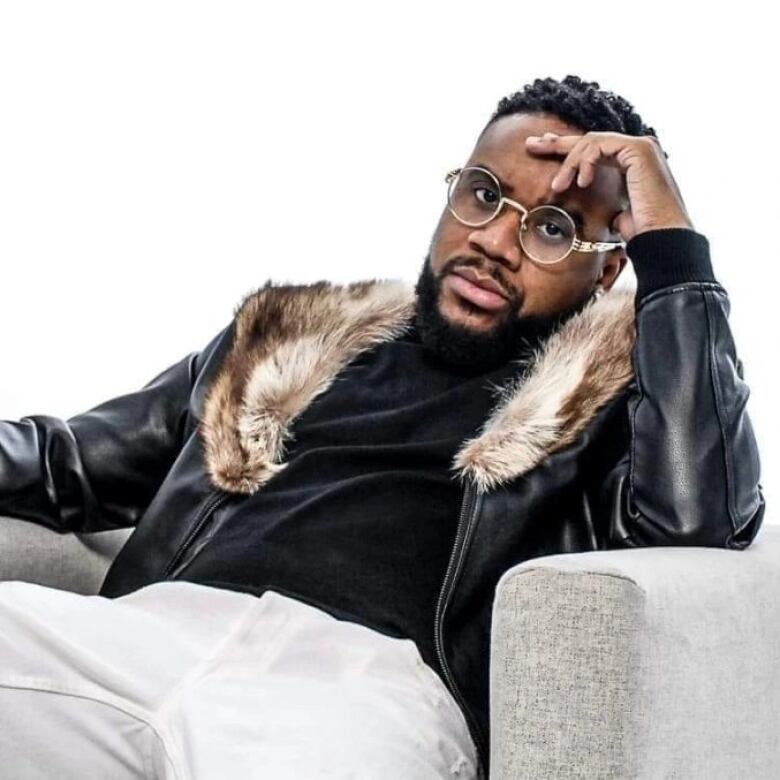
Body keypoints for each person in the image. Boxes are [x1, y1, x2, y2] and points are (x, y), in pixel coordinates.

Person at [0, 74, 765, 779]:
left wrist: (672, 249)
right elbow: (64, 463)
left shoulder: (613, 408)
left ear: (607, 269)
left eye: (555, 229)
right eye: (484, 194)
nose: (496, 242)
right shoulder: (283, 342)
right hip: (145, 638)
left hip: (360, 691)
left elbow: (698, 517)